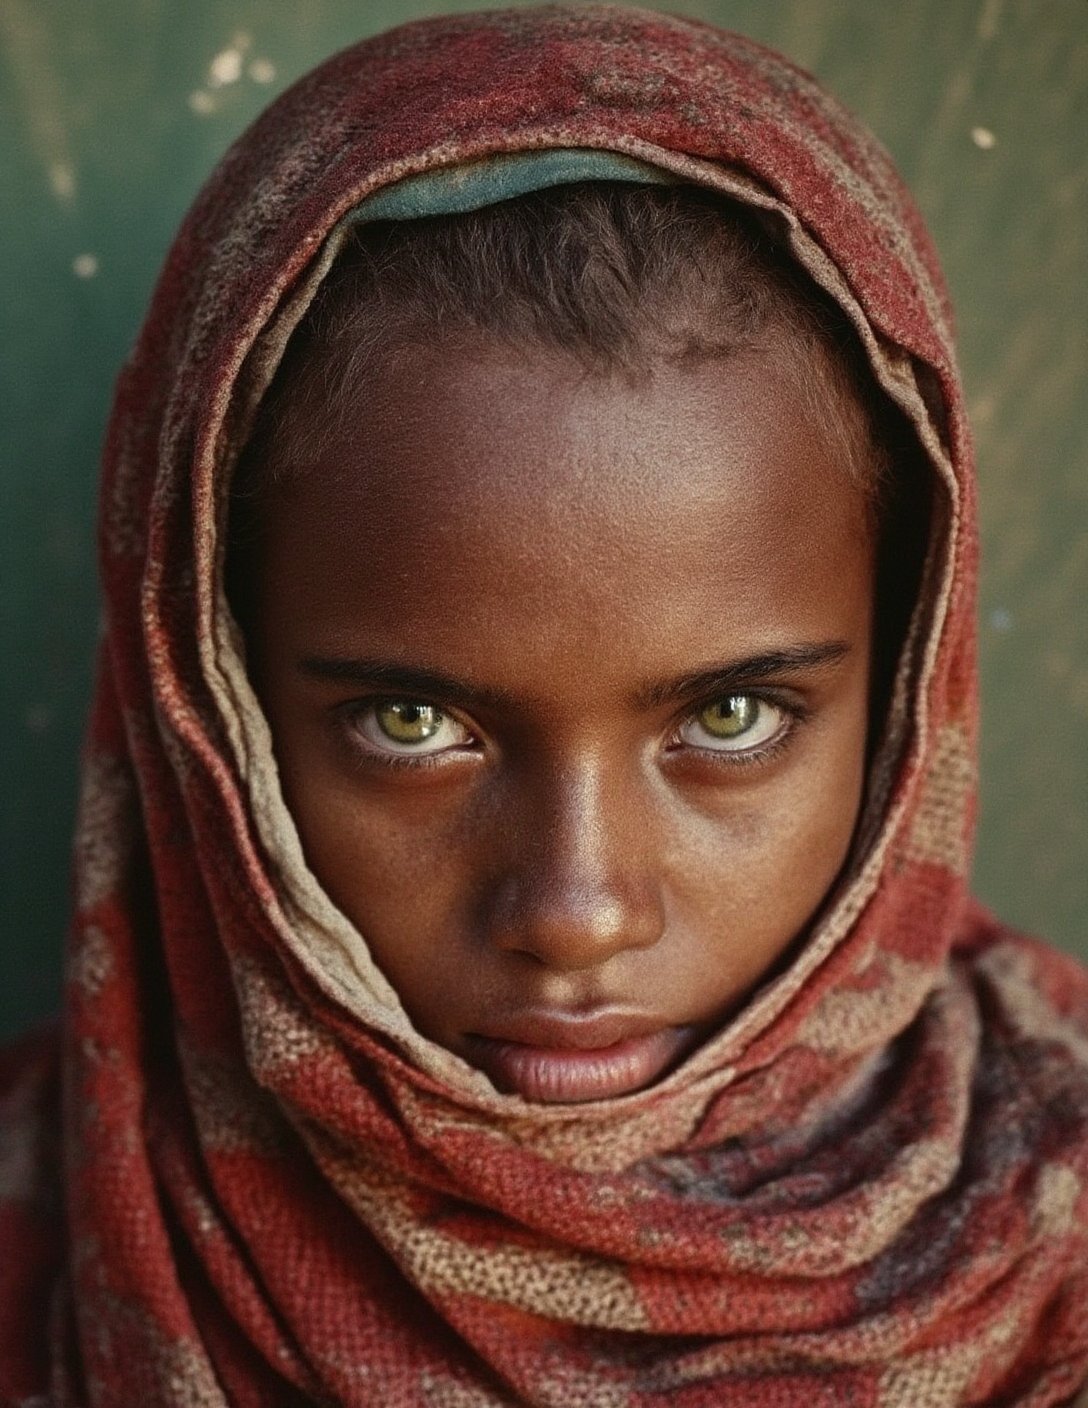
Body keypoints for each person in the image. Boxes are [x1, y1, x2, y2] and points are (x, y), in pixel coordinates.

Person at [1, 6, 1086, 1405]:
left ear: (906, 696)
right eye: (412, 726)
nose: (578, 912)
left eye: (736, 718)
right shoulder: (40, 1248)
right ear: (205, 703)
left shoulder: (1048, 1245)